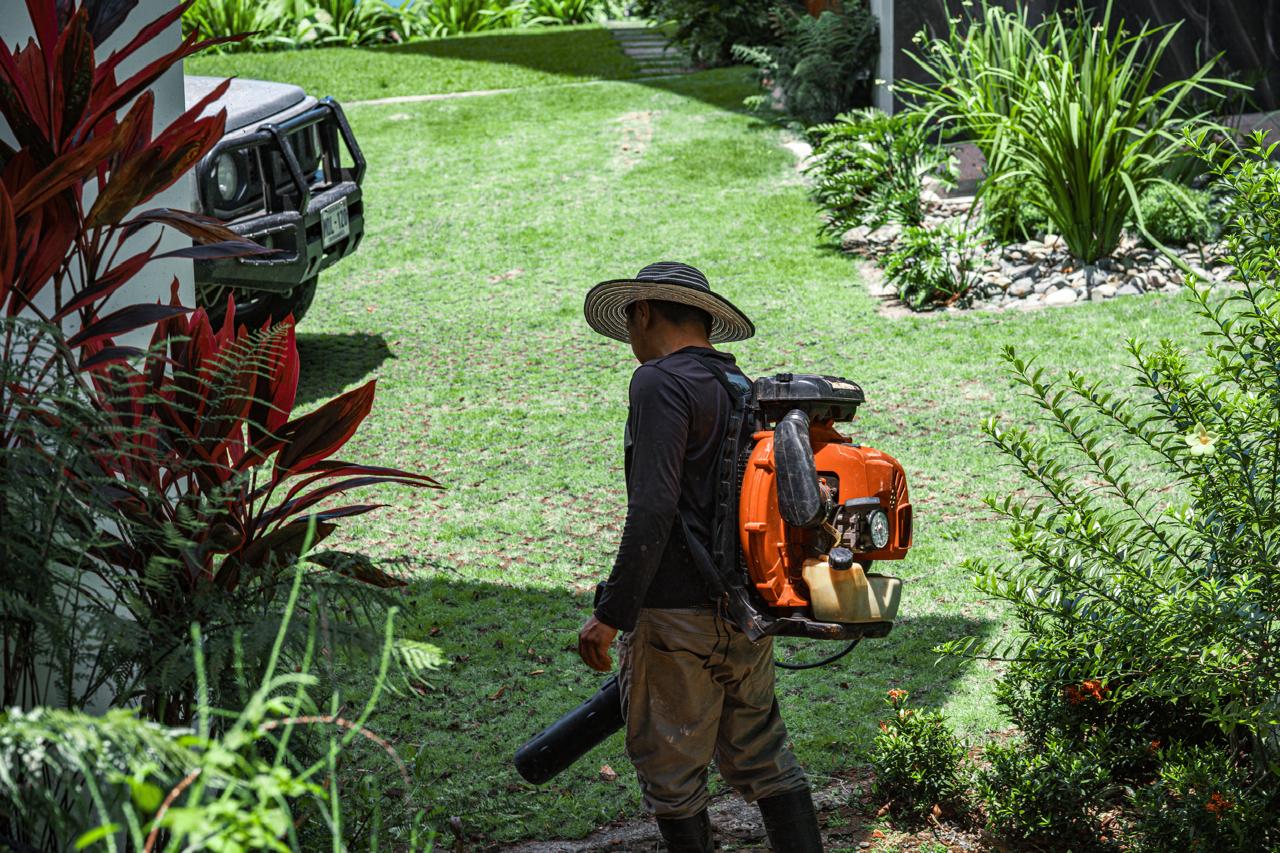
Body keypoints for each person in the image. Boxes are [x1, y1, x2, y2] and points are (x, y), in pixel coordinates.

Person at [578, 262, 824, 853]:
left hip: (675, 616)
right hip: (746, 611)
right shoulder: (742, 386)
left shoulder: (659, 382)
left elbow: (654, 508)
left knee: (672, 774)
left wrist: (613, 612)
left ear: (642, 313)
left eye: (633, 324)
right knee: (765, 757)